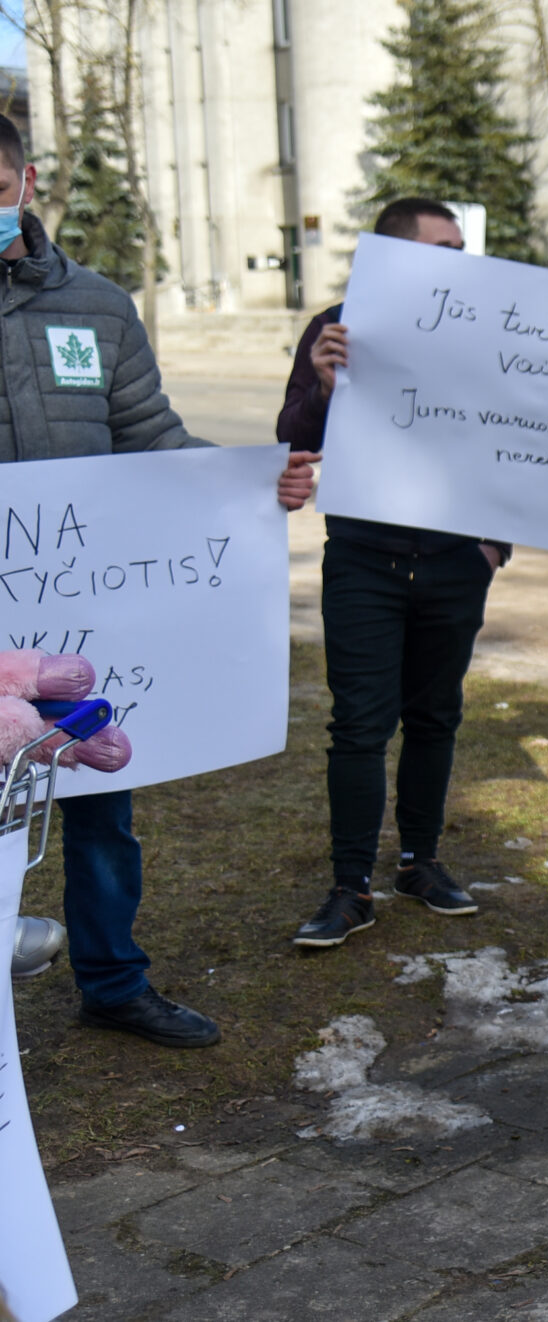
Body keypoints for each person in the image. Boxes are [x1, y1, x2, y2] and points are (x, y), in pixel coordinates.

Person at [0, 113, 312, 1043]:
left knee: (101, 809)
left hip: (83, 638)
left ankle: (113, 982)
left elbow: (154, 441)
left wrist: (256, 485)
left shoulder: (96, 307)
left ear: (26, 180)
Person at [279, 198, 508, 949]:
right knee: (358, 727)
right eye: (443, 246)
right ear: (395, 254)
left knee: (435, 716)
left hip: (452, 562)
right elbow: (295, 441)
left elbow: (522, 433)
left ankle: (421, 862)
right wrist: (319, 383)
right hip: (363, 561)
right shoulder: (337, 327)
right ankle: (351, 888)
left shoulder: (487, 329)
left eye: (461, 245)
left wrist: (491, 546)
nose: (459, 258)